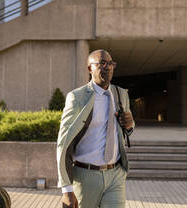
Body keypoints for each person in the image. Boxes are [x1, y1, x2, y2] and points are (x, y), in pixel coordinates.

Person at [57, 49, 135, 208]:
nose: (108, 67)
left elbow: (127, 128)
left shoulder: (121, 94)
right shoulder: (77, 97)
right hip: (86, 176)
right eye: (102, 63)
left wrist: (130, 124)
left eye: (111, 63)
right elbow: (64, 143)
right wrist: (67, 190)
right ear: (89, 69)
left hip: (115, 175)